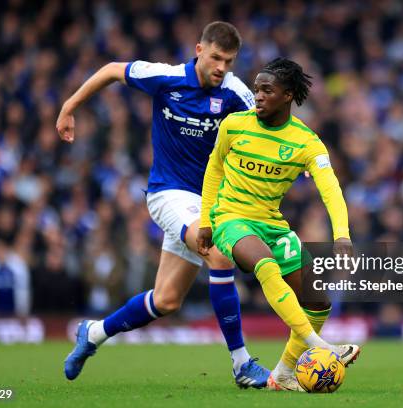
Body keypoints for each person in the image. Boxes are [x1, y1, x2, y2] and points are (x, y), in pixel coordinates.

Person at [57, 21, 269, 388]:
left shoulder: (236, 93)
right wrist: (69, 105)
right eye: (216, 57)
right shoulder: (166, 78)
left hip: (206, 204)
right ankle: (241, 364)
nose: (221, 67)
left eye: (229, 61)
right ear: (199, 50)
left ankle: (93, 333)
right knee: (218, 254)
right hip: (167, 194)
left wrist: (299, 159)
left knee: (167, 300)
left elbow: (267, 128)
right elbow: (111, 70)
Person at [197, 57, 360, 391]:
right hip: (231, 218)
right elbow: (214, 169)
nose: (257, 96)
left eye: (266, 90)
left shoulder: (307, 142)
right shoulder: (234, 125)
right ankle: (320, 346)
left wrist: (341, 235)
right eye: (256, 89)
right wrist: (205, 219)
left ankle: (284, 374)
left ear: (287, 95)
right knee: (265, 264)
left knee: (317, 299)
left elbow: (330, 188)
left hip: (271, 224)